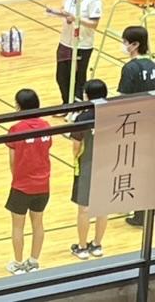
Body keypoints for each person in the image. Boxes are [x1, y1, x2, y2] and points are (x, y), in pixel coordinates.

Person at [5, 89, 52, 275]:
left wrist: (16, 177)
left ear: (19, 106)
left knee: (18, 226)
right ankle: (33, 261)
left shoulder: (16, 129)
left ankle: (18, 263)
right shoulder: (46, 125)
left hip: (22, 185)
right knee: (38, 223)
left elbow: (12, 160)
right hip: (43, 184)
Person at [50, 0, 102, 114]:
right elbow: (64, 9)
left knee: (78, 77)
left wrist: (76, 19)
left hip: (82, 44)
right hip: (65, 40)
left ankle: (77, 108)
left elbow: (94, 23)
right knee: (61, 76)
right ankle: (66, 104)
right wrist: (58, 13)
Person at [117, 25, 155, 227]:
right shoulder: (152, 64)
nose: (123, 45)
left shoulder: (130, 68)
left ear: (135, 44)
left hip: (136, 123)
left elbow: (123, 99)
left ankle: (140, 213)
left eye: (125, 42)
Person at [69, 79, 108, 259]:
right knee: (103, 207)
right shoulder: (112, 114)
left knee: (84, 209)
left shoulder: (83, 118)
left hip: (86, 165)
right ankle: (97, 245)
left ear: (86, 96)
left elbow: (76, 146)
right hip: (108, 165)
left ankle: (82, 247)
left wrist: (76, 158)